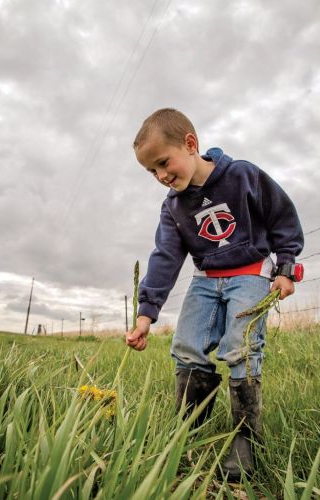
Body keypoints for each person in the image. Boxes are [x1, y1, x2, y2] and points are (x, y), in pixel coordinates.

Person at [126, 108, 304, 480]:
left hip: (250, 274)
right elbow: (165, 257)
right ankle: (186, 430)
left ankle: (245, 439)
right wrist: (146, 313)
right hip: (205, 279)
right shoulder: (173, 207)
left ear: (190, 144)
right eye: (151, 171)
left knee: (241, 347)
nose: (160, 176)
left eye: (163, 162)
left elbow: (281, 216)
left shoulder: (242, 176)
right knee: (187, 346)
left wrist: (286, 267)